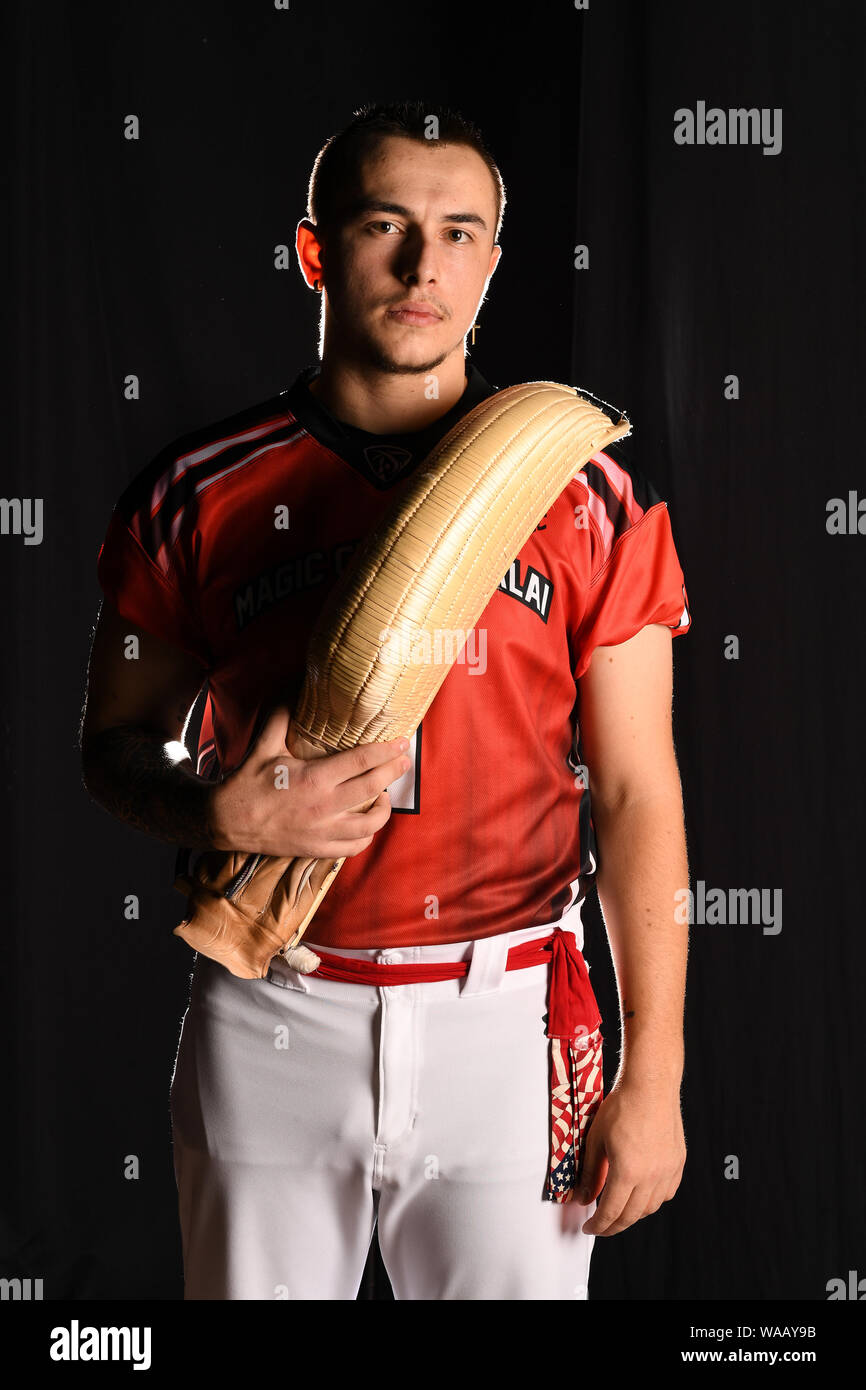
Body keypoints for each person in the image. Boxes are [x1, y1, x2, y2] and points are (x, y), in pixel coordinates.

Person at [80, 100, 692, 1301]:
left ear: (492, 263)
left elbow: (634, 791)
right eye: (384, 226)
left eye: (460, 233)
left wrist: (655, 1073)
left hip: (504, 1025)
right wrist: (220, 818)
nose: (424, 266)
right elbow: (110, 745)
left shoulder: (583, 492)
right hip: (272, 1007)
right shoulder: (198, 490)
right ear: (316, 251)